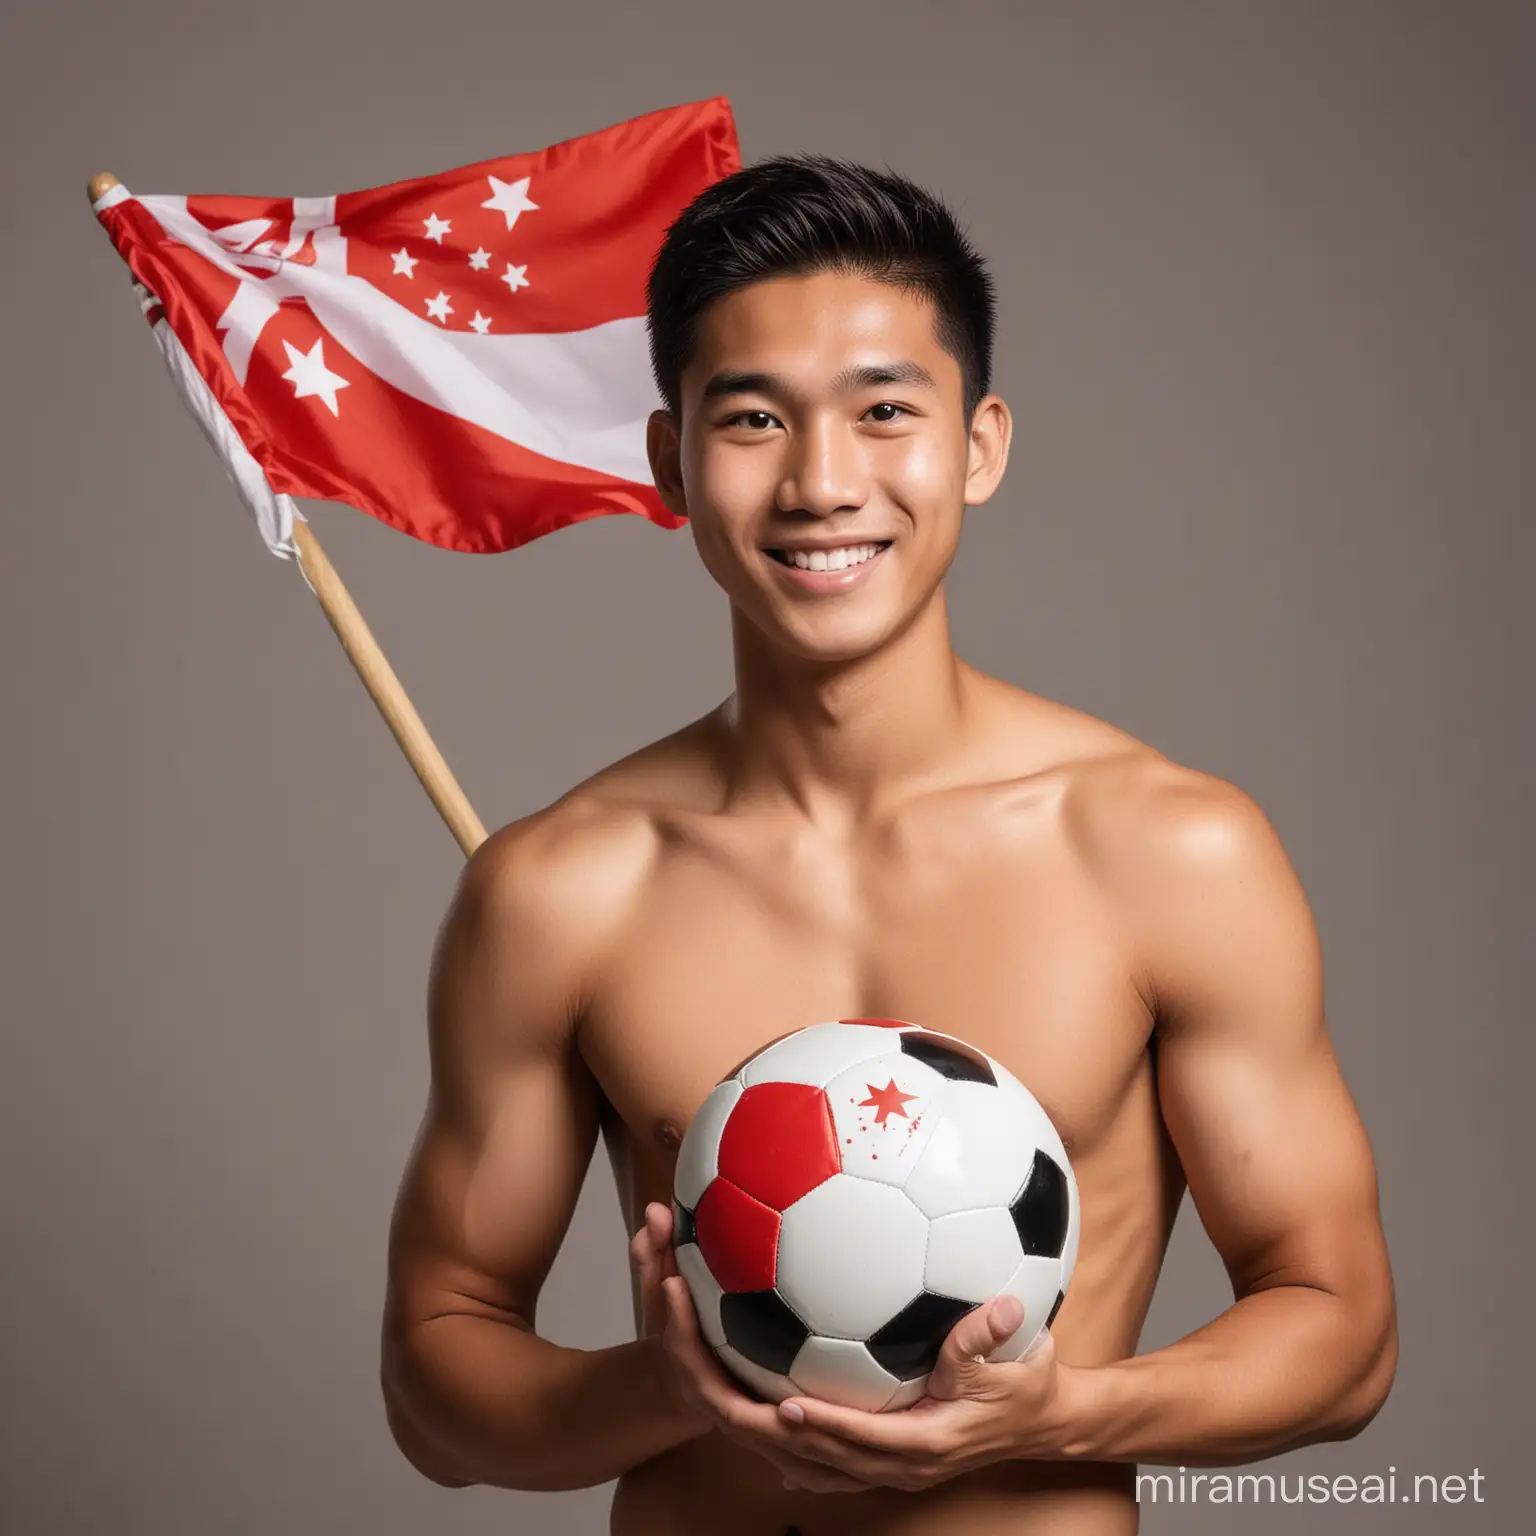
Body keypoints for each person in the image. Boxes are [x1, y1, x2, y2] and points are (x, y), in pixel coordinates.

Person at [378, 156, 1397, 1534]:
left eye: (883, 412)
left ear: (977, 445)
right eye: (752, 419)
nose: (821, 482)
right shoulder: (563, 888)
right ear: (671, 462)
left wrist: (1061, 1414)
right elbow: (437, 1380)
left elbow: (1340, 1333)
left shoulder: (1163, 850)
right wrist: (682, 1389)